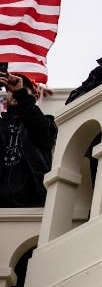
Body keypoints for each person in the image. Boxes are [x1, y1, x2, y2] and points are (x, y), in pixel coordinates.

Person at [0, 72, 58, 207]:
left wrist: (21, 95)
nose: (14, 91)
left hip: (32, 204)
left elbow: (43, 134)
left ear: (35, 96)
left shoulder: (47, 122)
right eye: (10, 89)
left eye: (24, 88)